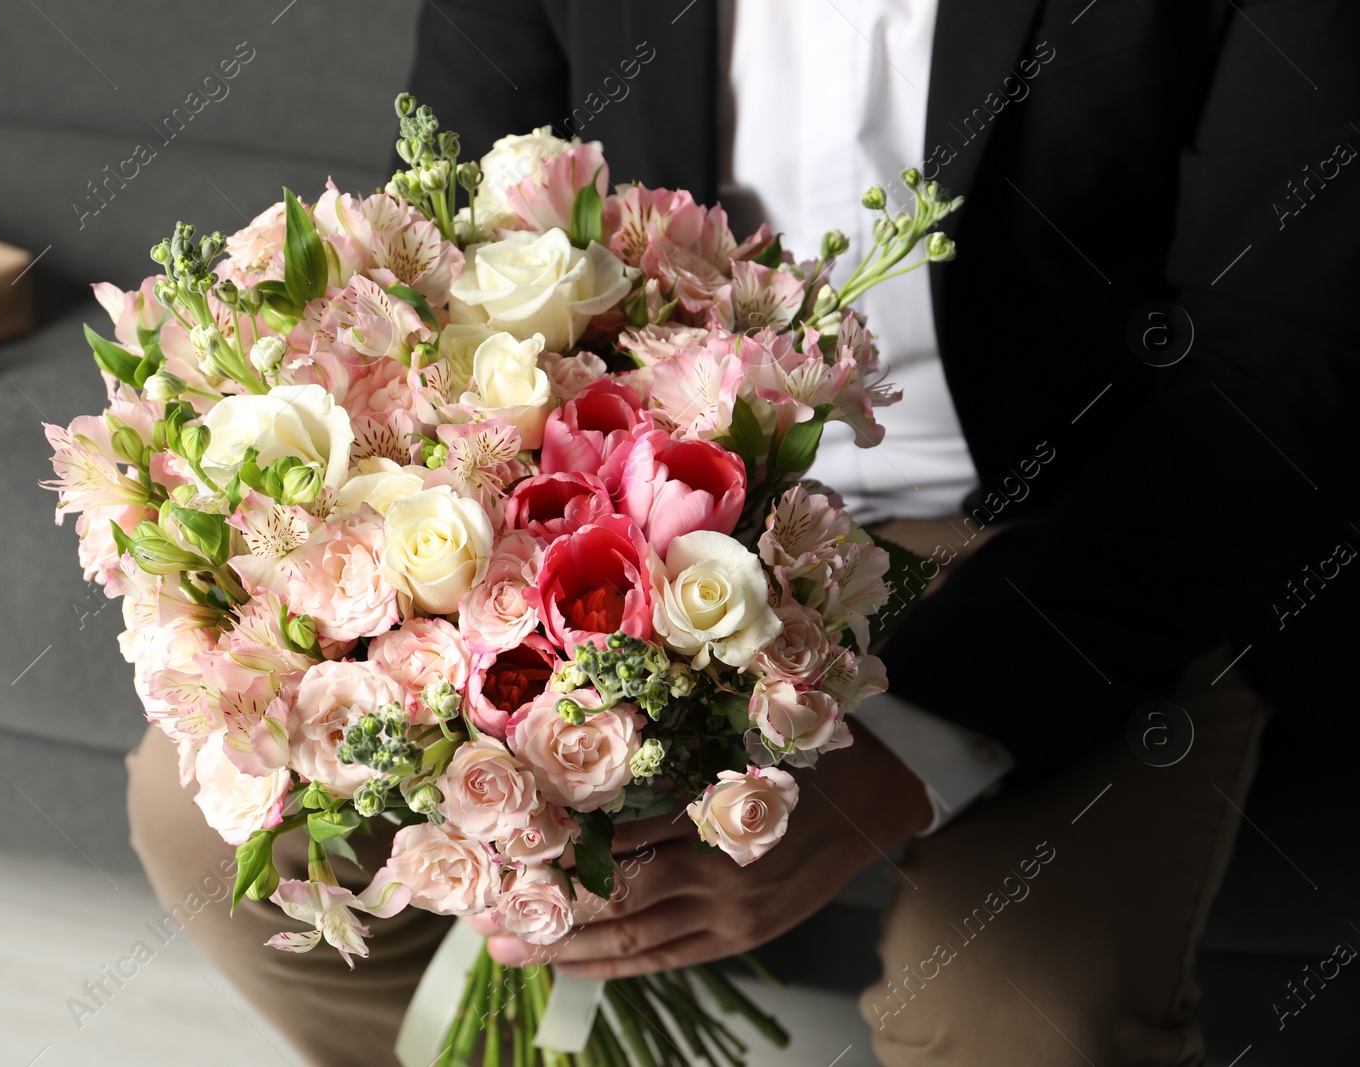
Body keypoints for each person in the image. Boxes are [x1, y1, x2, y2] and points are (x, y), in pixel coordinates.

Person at [128, 1, 1360, 1063]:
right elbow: (450, 251)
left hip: (1088, 534)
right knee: (207, 824)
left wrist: (887, 769)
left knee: (1023, 1021)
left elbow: (1269, 394)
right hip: (639, 512)